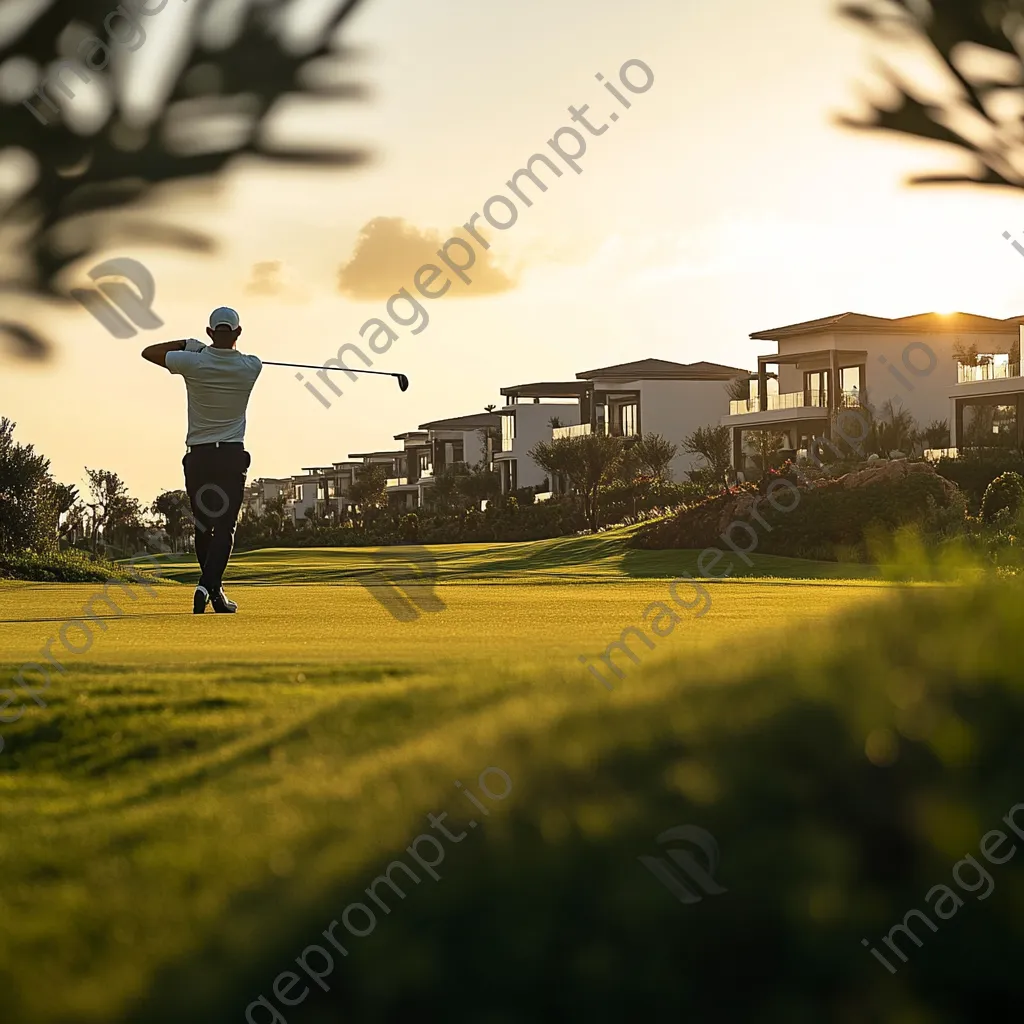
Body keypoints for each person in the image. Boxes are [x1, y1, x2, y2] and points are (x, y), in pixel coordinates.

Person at [142, 306, 262, 613]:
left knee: (203, 527)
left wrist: (187, 344)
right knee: (225, 529)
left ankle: (214, 592)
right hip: (231, 457)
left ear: (210, 332)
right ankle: (206, 585)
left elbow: (149, 352)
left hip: (199, 458)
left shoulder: (192, 362)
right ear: (238, 332)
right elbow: (239, 356)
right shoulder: (252, 366)